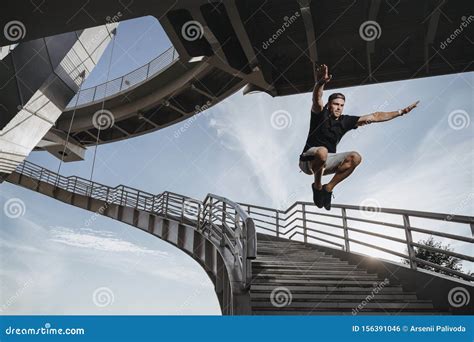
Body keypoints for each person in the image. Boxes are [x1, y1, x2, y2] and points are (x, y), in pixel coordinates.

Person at [299, 64, 419, 210]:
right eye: (335, 104)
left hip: (325, 163)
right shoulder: (320, 114)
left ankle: (328, 189)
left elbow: (375, 116)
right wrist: (320, 83)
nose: (339, 107)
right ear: (329, 105)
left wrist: (401, 112)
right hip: (308, 161)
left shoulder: (345, 121)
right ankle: (317, 186)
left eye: (341, 105)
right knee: (322, 151)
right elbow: (317, 99)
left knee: (356, 157)